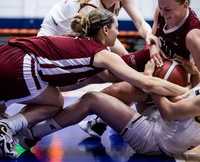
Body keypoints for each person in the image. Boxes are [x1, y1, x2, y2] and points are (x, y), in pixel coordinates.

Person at [0, 8, 187, 159]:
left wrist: (153, 52)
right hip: (22, 63)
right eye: (116, 28)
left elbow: (110, 77)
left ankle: (15, 137)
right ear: (105, 30)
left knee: (39, 98)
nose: (119, 32)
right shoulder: (102, 53)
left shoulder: (80, 42)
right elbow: (146, 83)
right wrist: (187, 91)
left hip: (7, 53)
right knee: (55, 102)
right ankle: (9, 127)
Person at [78, 0, 200, 137]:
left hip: (171, 75)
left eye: (168, 9)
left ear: (185, 5)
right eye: (160, 7)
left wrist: (188, 92)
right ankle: (98, 117)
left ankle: (95, 118)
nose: (163, 12)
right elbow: (153, 37)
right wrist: (153, 48)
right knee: (107, 71)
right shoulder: (162, 10)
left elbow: (198, 79)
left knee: (120, 89)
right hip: (153, 58)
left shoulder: (193, 36)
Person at [11, 59, 200, 157]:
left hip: (155, 142)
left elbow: (168, 111)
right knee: (130, 89)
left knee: (92, 99)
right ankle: (100, 120)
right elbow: (188, 96)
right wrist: (194, 74)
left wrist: (151, 80)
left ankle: (31, 135)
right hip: (166, 125)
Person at [37, 0, 160, 57]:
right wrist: (130, 60)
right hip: (54, 27)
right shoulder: (90, 7)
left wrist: (149, 35)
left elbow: (140, 23)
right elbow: (111, 40)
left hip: (73, 29)